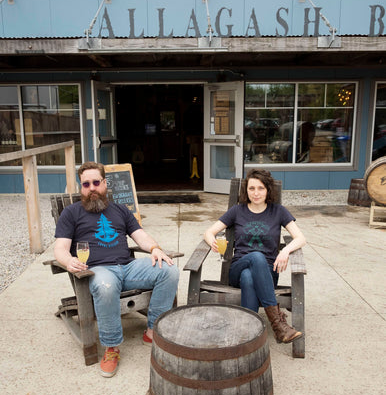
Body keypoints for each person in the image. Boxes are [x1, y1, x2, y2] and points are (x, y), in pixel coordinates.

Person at [54, 161, 179, 377]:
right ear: (80, 186)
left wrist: (155, 248)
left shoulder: (120, 210)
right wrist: (68, 261)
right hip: (98, 270)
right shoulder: (71, 213)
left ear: (104, 183)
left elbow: (139, 235)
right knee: (106, 286)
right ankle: (111, 348)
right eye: (86, 184)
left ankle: (153, 331)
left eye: (96, 182)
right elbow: (60, 248)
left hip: (128, 267)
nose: (91, 188)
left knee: (169, 270)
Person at [204, 169, 306, 344]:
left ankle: (249, 334)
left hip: (267, 273)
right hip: (238, 267)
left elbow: (301, 238)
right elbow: (209, 232)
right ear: (246, 191)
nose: (256, 193)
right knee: (255, 258)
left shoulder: (278, 211)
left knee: (249, 277)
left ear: (268, 190)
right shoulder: (237, 211)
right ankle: (278, 324)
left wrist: (285, 251)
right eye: (252, 188)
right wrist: (212, 240)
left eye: (261, 188)